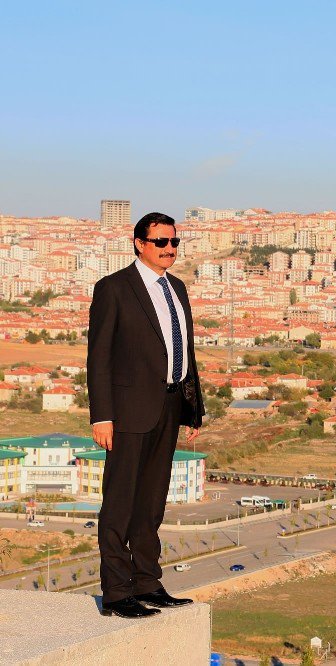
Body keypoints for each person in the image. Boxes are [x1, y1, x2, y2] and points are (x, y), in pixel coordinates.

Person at [87, 212, 205, 618]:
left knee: (152, 502)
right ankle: (117, 593)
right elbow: (98, 357)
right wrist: (101, 416)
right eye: (160, 242)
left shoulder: (178, 288)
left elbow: (185, 352)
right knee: (120, 502)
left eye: (174, 242)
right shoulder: (114, 288)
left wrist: (192, 410)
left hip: (170, 406)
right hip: (126, 411)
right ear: (139, 243)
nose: (169, 249)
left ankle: (148, 583)